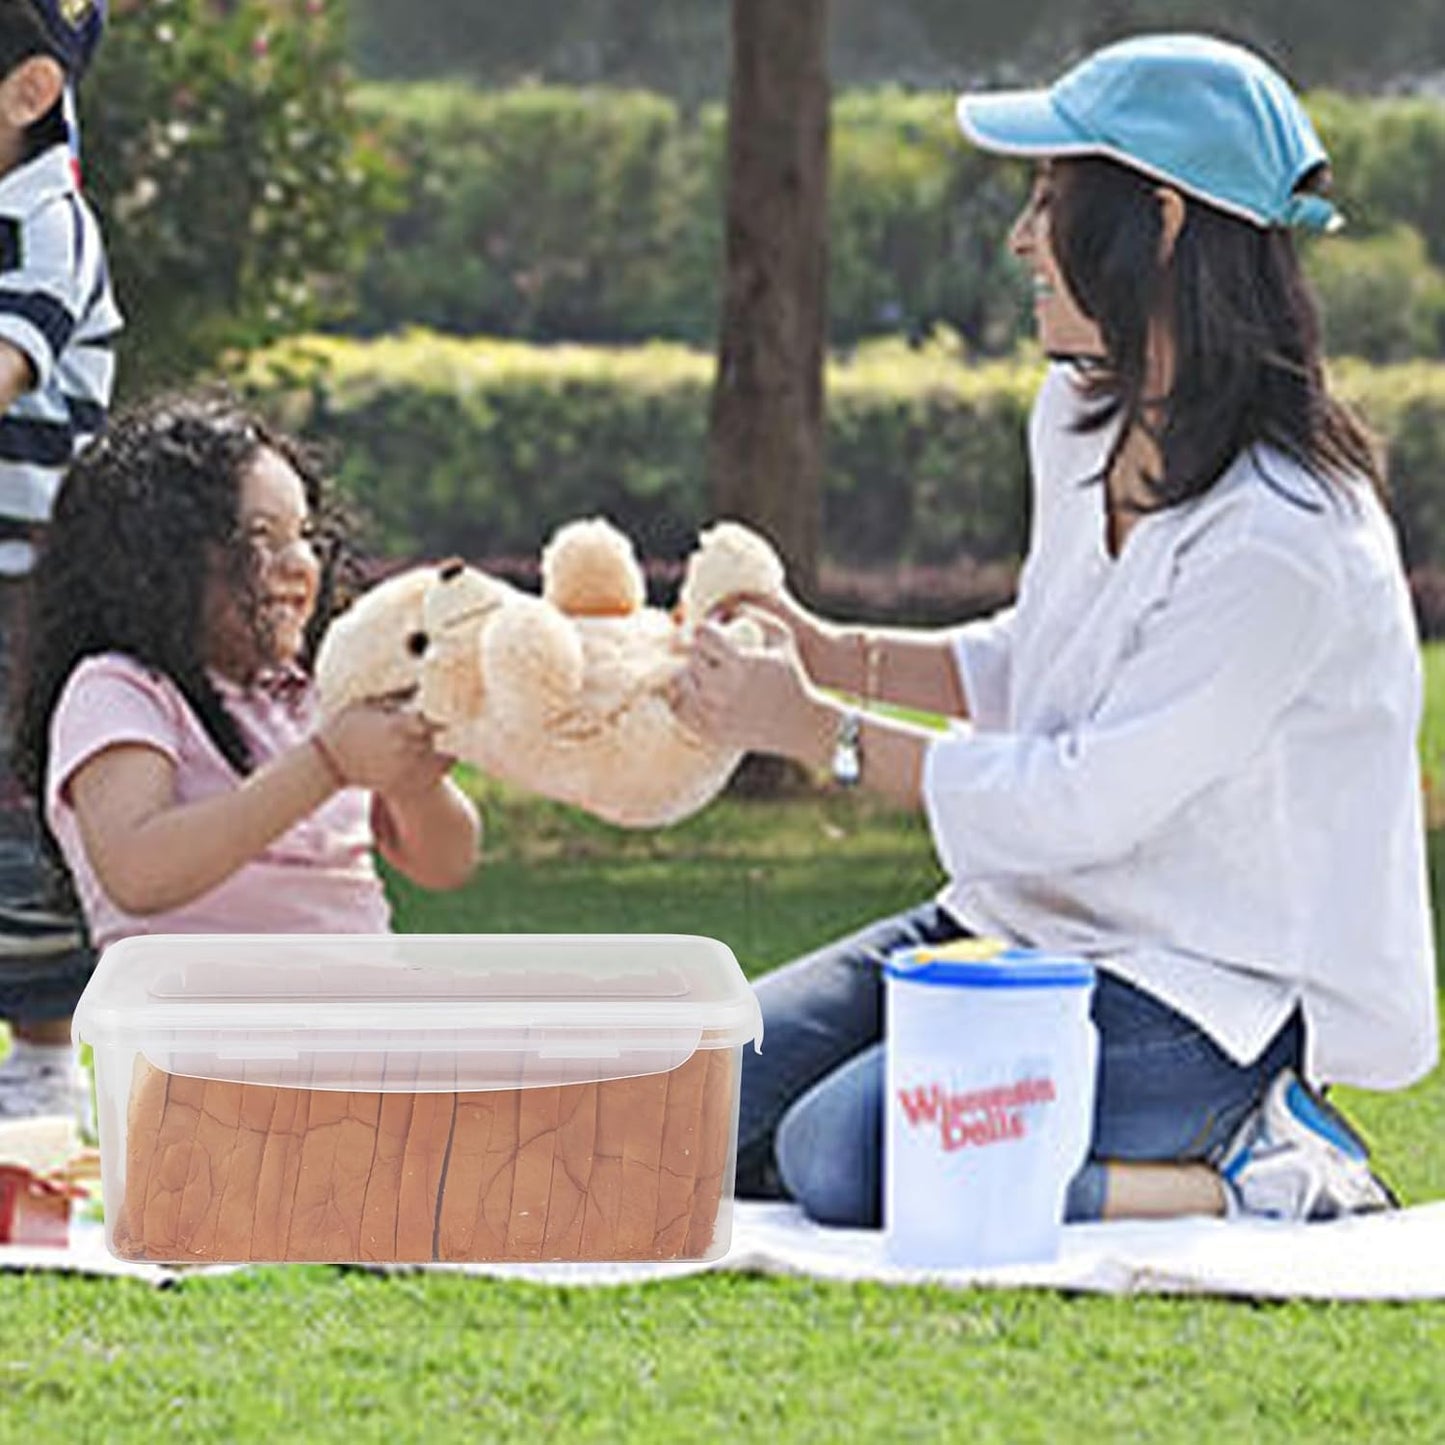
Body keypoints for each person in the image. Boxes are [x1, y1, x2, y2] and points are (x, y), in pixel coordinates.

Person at [673, 33, 1438, 1224]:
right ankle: (1076, 1151)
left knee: (842, 1154)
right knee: (689, 1105)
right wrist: (825, 646)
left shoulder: (1286, 539)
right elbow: (1043, 661)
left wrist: (812, 729)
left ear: (1164, 222)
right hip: (1017, 923)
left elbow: (1084, 796)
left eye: (1048, 202)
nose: (1020, 238)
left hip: (1198, 993)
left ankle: (1260, 1160)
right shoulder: (1080, 413)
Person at [6, 391, 482, 1119]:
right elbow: (139, 868)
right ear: (154, 557)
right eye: (259, 536)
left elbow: (446, 862)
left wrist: (414, 782)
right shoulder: (121, 689)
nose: (297, 563)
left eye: (304, 534)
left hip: (359, 1056)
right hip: (196, 1077)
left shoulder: (313, 693)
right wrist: (324, 763)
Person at [0, 0, 123, 1119]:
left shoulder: (48, 225)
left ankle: (39, 1066)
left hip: (23, 592)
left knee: (19, 813)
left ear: (28, 94)